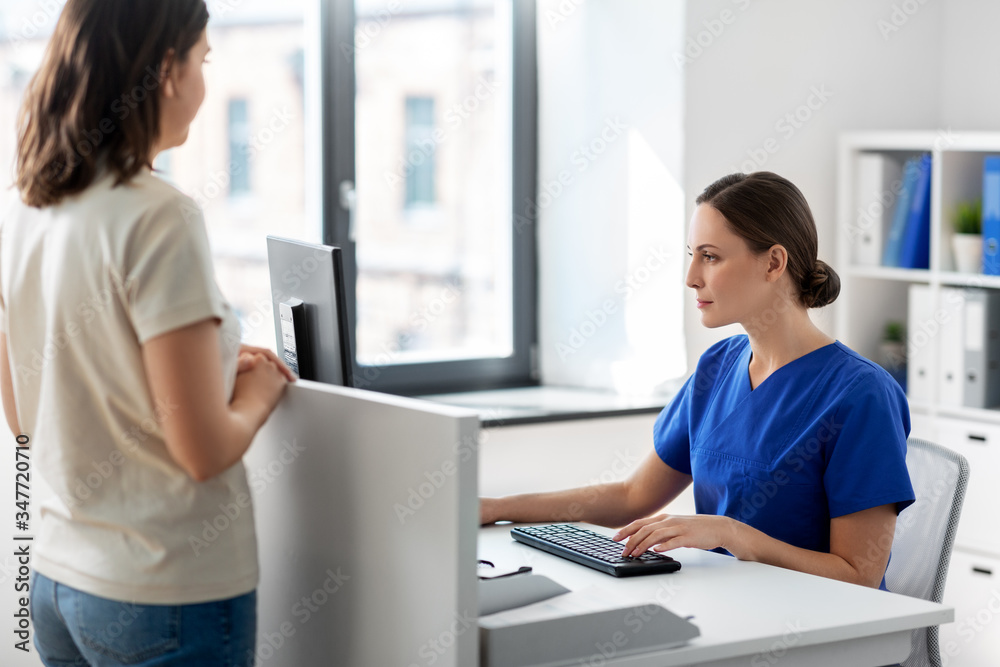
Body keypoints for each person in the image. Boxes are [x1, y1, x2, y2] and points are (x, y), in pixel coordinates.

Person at [0, 1, 294, 664]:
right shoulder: (160, 217)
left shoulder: (21, 208)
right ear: (167, 70)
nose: (204, 81)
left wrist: (212, 369)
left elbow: (27, 414)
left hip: (59, 583)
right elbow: (202, 450)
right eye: (203, 60)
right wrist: (261, 393)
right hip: (163, 594)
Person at [481, 171, 915, 590]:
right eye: (692, 255)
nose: (691, 278)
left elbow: (859, 577)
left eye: (710, 256)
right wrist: (499, 509)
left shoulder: (861, 394)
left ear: (774, 262)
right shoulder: (717, 366)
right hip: (724, 609)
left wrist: (733, 535)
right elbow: (632, 496)